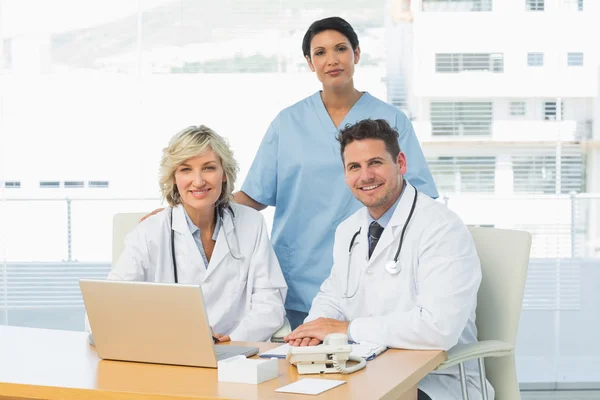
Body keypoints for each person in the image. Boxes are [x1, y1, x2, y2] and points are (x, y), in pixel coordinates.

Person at [234, 17, 438, 329]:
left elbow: (419, 198)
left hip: (379, 270)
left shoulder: (392, 119)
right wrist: (189, 212)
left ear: (356, 54)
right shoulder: (287, 123)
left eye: (341, 49)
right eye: (320, 52)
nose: (332, 60)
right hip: (301, 273)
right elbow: (254, 196)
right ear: (309, 62)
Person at [284, 119, 493, 400]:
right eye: (354, 167)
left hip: (433, 381)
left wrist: (347, 329)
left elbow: (438, 328)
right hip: (365, 372)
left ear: (401, 163)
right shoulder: (349, 229)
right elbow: (333, 296)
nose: (365, 176)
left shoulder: (441, 228)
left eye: (375, 163)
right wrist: (312, 331)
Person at [109, 126, 287, 342]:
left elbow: (270, 302)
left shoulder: (251, 223)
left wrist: (233, 339)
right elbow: (110, 302)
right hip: (173, 353)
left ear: (224, 174)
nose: (199, 181)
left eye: (209, 168)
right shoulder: (149, 232)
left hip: (238, 354)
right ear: (174, 177)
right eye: (186, 169)